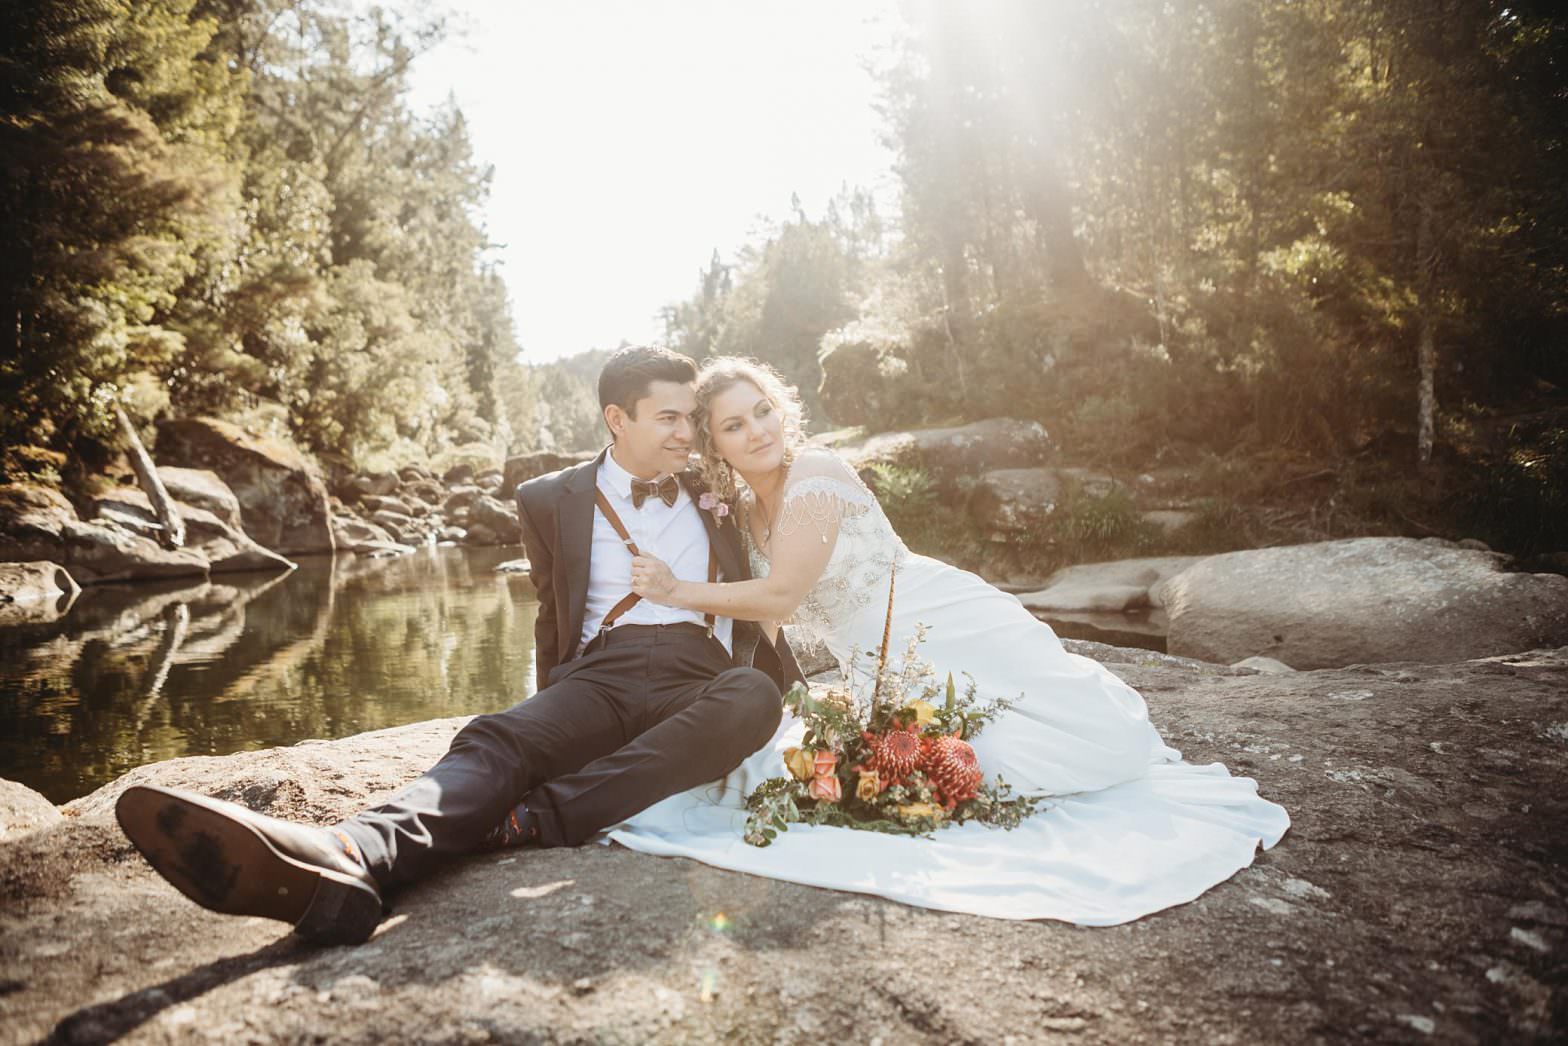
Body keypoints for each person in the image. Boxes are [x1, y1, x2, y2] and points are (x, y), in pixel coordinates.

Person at [114, 347, 804, 945]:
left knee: (754, 698)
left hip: (700, 675)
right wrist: (550, 711)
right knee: (497, 741)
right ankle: (348, 853)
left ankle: (535, 819)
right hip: (601, 674)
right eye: (671, 418)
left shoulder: (718, 481)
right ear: (617, 420)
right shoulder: (545, 498)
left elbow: (778, 546)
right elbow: (550, 612)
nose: (690, 433)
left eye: (693, 417)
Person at [610, 356, 1291, 925]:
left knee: (1092, 741)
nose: (756, 430)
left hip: (946, 621)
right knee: (914, 760)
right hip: (881, 668)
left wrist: (675, 591)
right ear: (715, 444)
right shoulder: (743, 511)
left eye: (762, 410)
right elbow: (759, 626)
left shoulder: (816, 472)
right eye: (734, 424)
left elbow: (783, 596)